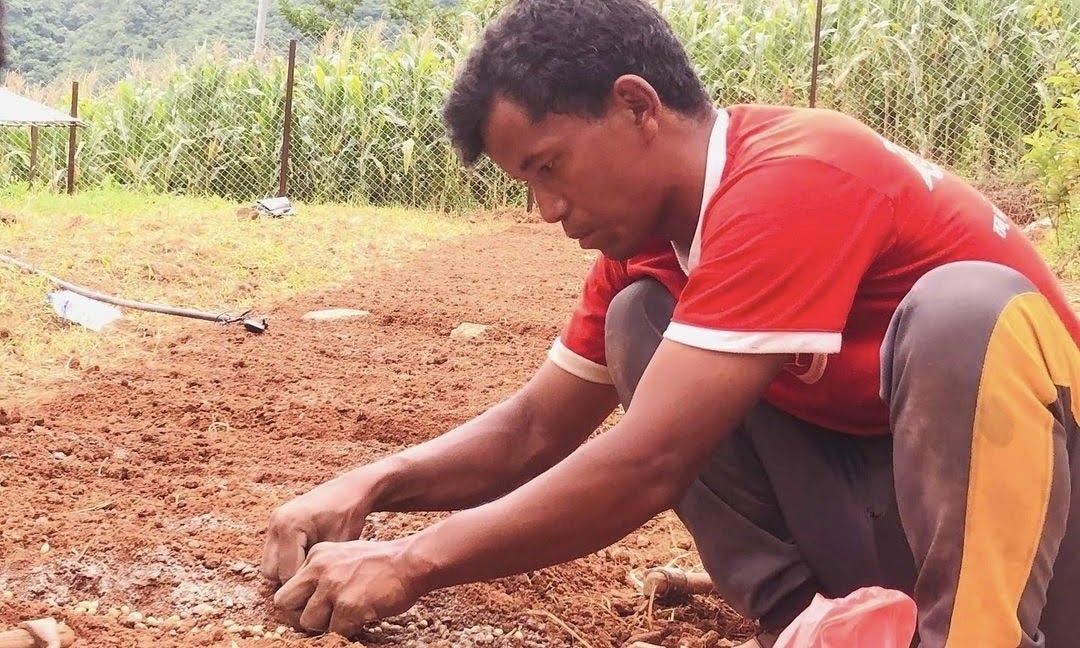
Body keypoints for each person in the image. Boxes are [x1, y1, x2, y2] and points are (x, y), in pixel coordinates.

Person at [260, 1, 1080, 646]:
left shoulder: (797, 175)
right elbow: (537, 427)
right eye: (527, 184)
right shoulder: (652, 248)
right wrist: (372, 483)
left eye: (549, 166)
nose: (546, 209)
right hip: (902, 515)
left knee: (964, 312)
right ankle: (809, 627)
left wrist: (411, 561)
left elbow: (648, 461)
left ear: (636, 105)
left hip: (1046, 551)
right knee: (643, 324)